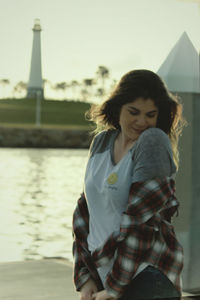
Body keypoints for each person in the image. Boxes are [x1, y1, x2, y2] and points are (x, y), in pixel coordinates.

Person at [72, 69, 185, 300]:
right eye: (133, 112)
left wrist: (115, 288)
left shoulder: (152, 142)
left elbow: (140, 225)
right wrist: (85, 276)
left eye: (151, 115)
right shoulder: (101, 142)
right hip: (107, 276)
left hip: (146, 277)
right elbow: (84, 212)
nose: (142, 122)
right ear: (117, 107)